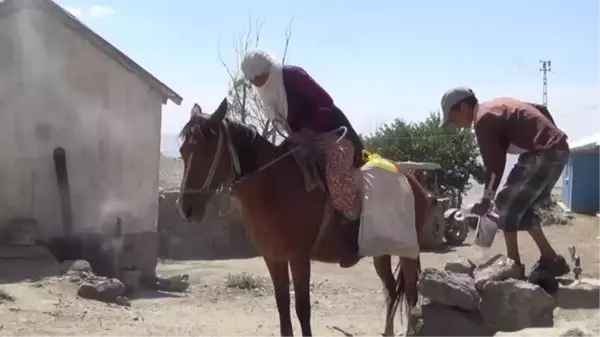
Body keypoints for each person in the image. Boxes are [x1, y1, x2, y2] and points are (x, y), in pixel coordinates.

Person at [439, 87, 570, 282]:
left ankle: (513, 266)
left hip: (543, 153)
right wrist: (553, 136)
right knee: (522, 208)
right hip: (554, 150)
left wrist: (486, 200)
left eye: (452, 117)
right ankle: (551, 258)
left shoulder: (483, 119)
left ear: (464, 107)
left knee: (504, 203)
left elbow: (494, 164)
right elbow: (540, 109)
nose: (455, 124)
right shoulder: (497, 106)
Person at [240, 49, 365, 221]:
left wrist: (310, 129)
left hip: (335, 135)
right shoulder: (266, 93)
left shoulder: (293, 76)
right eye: (252, 80)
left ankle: (357, 222)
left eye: (259, 77)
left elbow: (325, 101)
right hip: (303, 142)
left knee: (336, 177)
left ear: (268, 69)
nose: (256, 82)